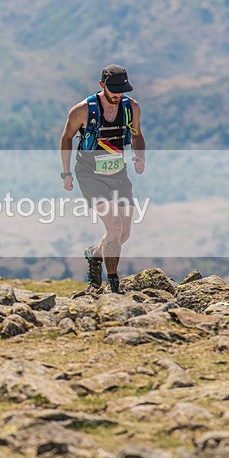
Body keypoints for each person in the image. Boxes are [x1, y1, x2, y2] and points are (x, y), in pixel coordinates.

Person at [59, 65, 146, 293]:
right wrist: (66, 173)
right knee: (114, 225)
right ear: (102, 85)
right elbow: (66, 138)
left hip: (118, 173)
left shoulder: (131, 107)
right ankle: (113, 283)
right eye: (114, 90)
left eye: (122, 90)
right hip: (89, 174)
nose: (118, 95)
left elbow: (136, 134)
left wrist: (140, 157)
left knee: (123, 233)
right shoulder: (82, 111)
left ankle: (95, 254)